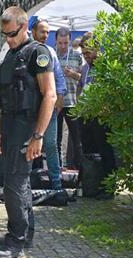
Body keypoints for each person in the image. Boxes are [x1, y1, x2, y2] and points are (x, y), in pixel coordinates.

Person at [0, 6, 56, 258]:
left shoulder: (37, 54)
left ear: (24, 25)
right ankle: (24, 233)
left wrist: (37, 136)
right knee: (19, 181)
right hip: (9, 125)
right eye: (4, 34)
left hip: (26, 126)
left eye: (12, 33)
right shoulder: (11, 54)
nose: (8, 39)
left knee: (14, 184)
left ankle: (15, 241)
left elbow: (50, 95)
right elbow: (6, 100)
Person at [77, 32, 117, 197]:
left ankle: (108, 188)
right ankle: (92, 184)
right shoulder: (85, 68)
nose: (86, 57)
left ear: (97, 48)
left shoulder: (107, 66)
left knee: (105, 151)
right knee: (89, 152)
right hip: (86, 116)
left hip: (102, 116)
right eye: (84, 54)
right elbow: (81, 85)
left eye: (88, 53)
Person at [31, 18, 66, 190]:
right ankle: (25, 185)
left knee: (51, 146)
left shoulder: (50, 52)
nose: (45, 35)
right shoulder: (27, 51)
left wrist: (60, 97)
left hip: (48, 109)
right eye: (42, 31)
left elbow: (59, 77)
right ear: (33, 32)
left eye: (47, 32)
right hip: (29, 109)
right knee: (27, 145)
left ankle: (57, 185)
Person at [55, 27, 84, 171]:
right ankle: (58, 167)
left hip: (72, 103)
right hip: (56, 103)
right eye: (60, 43)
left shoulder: (77, 56)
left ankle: (80, 168)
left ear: (70, 41)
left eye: (65, 43)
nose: (62, 46)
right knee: (56, 138)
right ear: (56, 41)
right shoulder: (52, 55)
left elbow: (84, 78)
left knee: (77, 138)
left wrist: (72, 73)